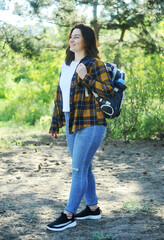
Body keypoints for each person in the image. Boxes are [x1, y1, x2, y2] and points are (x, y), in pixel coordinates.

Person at [47, 23, 113, 232]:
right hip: (71, 120)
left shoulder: (94, 64)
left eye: (76, 37)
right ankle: (92, 208)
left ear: (86, 40)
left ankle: (68, 215)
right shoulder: (66, 65)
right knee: (85, 167)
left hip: (91, 122)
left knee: (78, 169)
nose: (71, 40)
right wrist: (56, 122)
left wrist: (86, 76)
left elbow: (107, 92)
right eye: (70, 37)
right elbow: (61, 96)